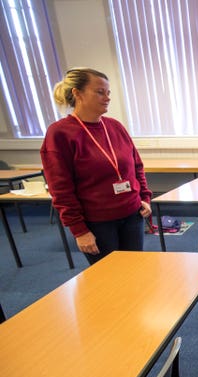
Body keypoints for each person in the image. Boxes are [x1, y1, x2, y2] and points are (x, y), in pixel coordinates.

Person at [41, 68, 152, 265]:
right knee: (109, 281)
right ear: (77, 93)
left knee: (136, 273)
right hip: (98, 223)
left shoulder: (115, 126)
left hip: (132, 215)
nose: (107, 98)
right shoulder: (60, 134)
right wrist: (79, 230)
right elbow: (61, 189)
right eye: (100, 92)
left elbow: (136, 166)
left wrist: (144, 197)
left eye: (108, 93)